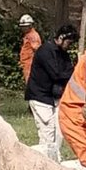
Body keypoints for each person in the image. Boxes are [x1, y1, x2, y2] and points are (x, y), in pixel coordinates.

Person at [26, 25, 78, 160]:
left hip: (53, 97)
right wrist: (71, 73)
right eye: (69, 42)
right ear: (61, 38)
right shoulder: (45, 51)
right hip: (39, 97)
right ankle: (44, 162)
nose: (70, 46)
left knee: (59, 129)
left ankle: (55, 159)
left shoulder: (63, 54)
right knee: (47, 131)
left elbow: (70, 72)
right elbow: (56, 74)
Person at [18, 14, 42, 82]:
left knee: (31, 83)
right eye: (22, 27)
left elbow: (37, 49)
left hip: (30, 64)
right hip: (27, 64)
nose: (23, 28)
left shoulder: (32, 36)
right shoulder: (28, 35)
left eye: (25, 27)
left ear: (30, 26)